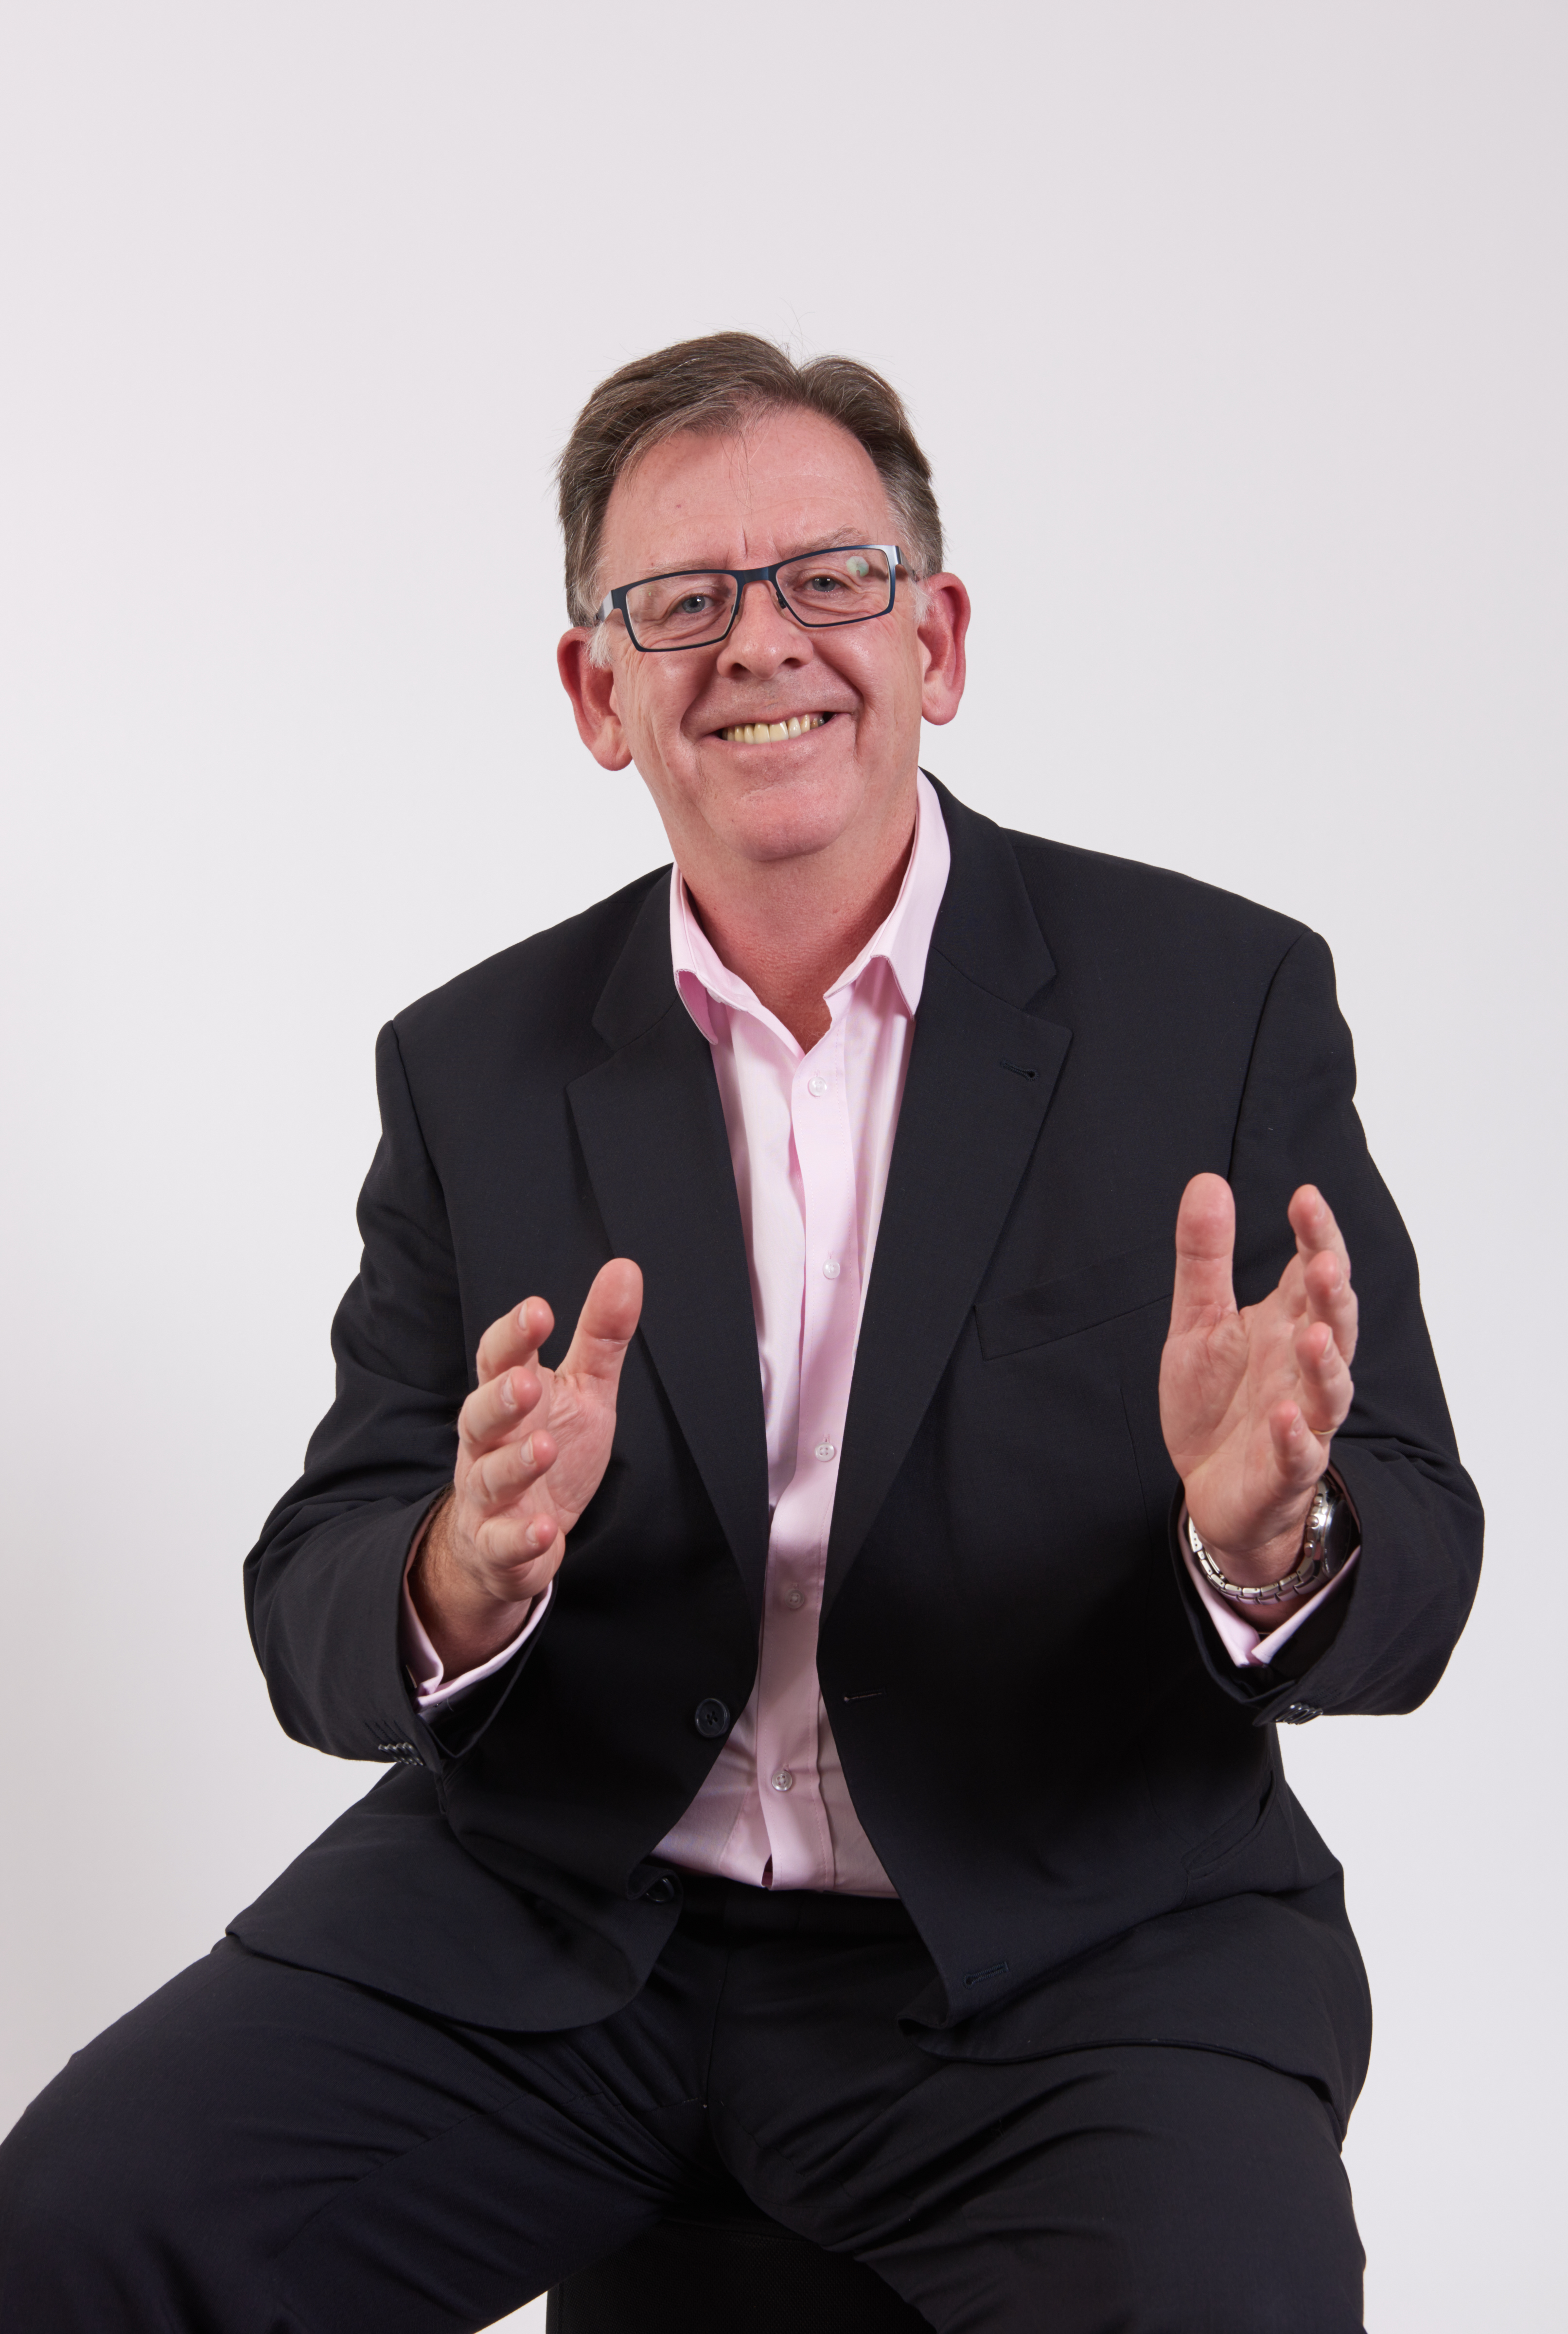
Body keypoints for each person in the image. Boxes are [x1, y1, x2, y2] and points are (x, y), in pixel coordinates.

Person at [0, 333, 1481, 2332]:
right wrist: (458, 1569)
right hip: (558, 1927)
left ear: (936, 641)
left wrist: (1263, 1542)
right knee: (70, 2231)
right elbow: (316, 1584)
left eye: (829, 580)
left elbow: (1419, 1541)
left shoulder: (1211, 1004)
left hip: (1067, 1950)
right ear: (596, 693)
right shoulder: (471, 1067)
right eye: (680, 601)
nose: (760, 642)